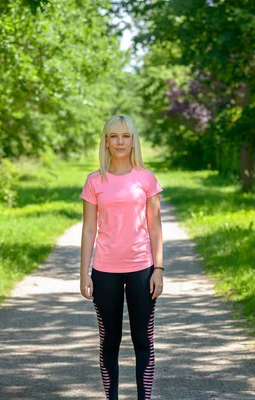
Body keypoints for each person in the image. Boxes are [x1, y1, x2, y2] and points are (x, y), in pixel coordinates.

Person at [79, 115, 164, 400]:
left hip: (142, 268)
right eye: (113, 136)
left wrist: (159, 269)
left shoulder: (147, 179)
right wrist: (84, 273)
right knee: (109, 342)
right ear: (105, 141)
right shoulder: (94, 181)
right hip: (104, 271)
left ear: (133, 141)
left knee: (143, 340)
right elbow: (89, 228)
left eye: (125, 136)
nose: (119, 142)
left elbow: (155, 227)